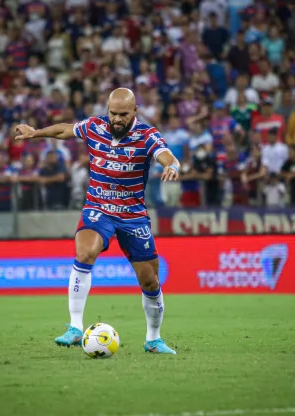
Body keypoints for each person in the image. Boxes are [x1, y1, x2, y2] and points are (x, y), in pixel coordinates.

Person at [14, 88, 181, 354]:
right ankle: (75, 327)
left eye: (123, 114)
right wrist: (36, 133)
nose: (116, 119)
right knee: (85, 251)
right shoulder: (95, 126)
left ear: (135, 112)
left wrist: (172, 166)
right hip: (98, 208)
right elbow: (65, 130)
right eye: (113, 113)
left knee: (150, 281)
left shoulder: (147, 135)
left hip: (133, 215)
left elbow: (165, 154)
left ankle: (153, 339)